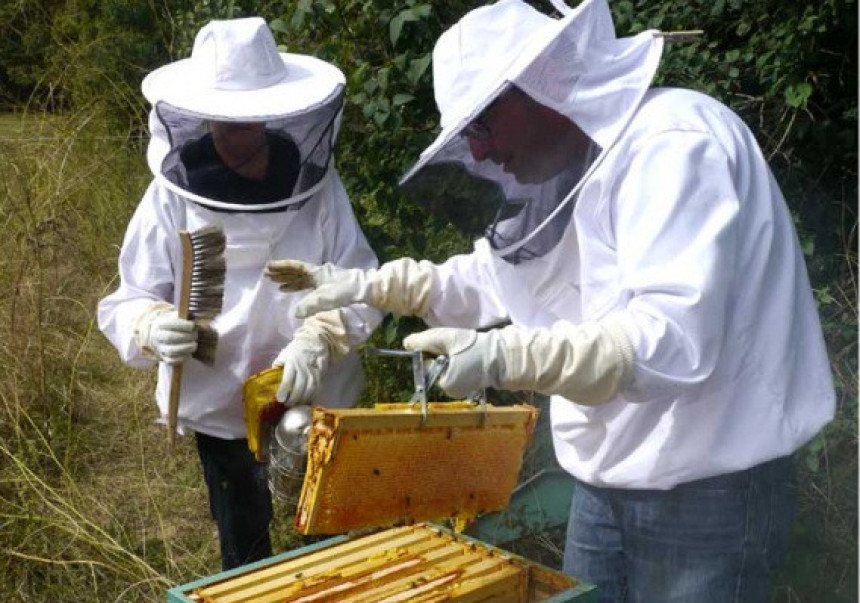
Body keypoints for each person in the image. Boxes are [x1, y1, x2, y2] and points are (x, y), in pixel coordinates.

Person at [264, 0, 836, 601]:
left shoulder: (674, 145)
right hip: (601, 483)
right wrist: (367, 286)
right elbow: (489, 279)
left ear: (542, 85)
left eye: (479, 127)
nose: (477, 154)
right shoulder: (563, 174)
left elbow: (670, 340)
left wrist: (503, 357)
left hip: (711, 491)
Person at [97, 17, 382, 570]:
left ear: (277, 112)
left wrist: (319, 339)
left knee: (331, 541)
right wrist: (149, 326)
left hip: (312, 392)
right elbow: (131, 293)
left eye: (252, 121)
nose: (240, 133)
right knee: (245, 550)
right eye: (227, 122)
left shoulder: (318, 188)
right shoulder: (171, 195)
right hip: (219, 400)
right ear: (204, 117)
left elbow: (360, 283)